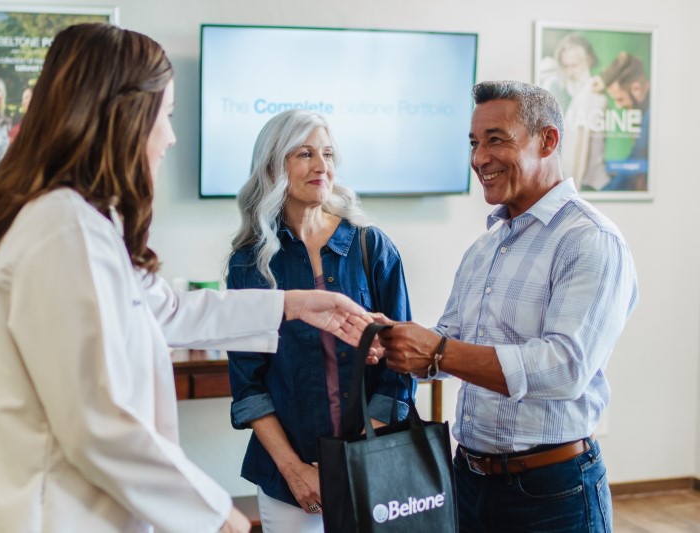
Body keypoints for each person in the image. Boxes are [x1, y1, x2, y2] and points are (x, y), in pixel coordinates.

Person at [0, 24, 371, 533]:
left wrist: (291, 303)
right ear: (123, 117)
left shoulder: (78, 222)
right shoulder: (61, 230)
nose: (170, 136)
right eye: (164, 116)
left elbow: (168, 311)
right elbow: (98, 425)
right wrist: (218, 516)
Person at [377, 81, 638, 532]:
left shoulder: (590, 240)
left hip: (552, 493)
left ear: (548, 140)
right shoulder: (485, 247)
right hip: (469, 482)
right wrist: (395, 346)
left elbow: (564, 368)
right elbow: (450, 348)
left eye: (496, 139)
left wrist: (437, 351)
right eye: (475, 143)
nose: (479, 158)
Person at [226, 109, 413, 533]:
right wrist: (296, 471)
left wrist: (354, 459)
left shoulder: (371, 246)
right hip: (290, 480)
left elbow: (401, 369)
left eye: (327, 153)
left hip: (373, 465)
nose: (321, 165)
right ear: (273, 166)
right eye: (304, 153)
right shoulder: (250, 264)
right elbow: (248, 385)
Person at [551, 34, 610, 191]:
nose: (570, 72)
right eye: (566, 66)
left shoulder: (593, 96)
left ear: (589, 61)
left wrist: (573, 191)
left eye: (575, 65)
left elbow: (581, 148)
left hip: (587, 184)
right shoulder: (572, 94)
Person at [594, 52, 651, 191]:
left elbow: (635, 158)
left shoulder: (650, 116)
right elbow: (624, 58)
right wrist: (605, 78)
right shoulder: (646, 105)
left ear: (636, 88)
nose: (618, 106)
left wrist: (603, 195)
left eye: (619, 99)